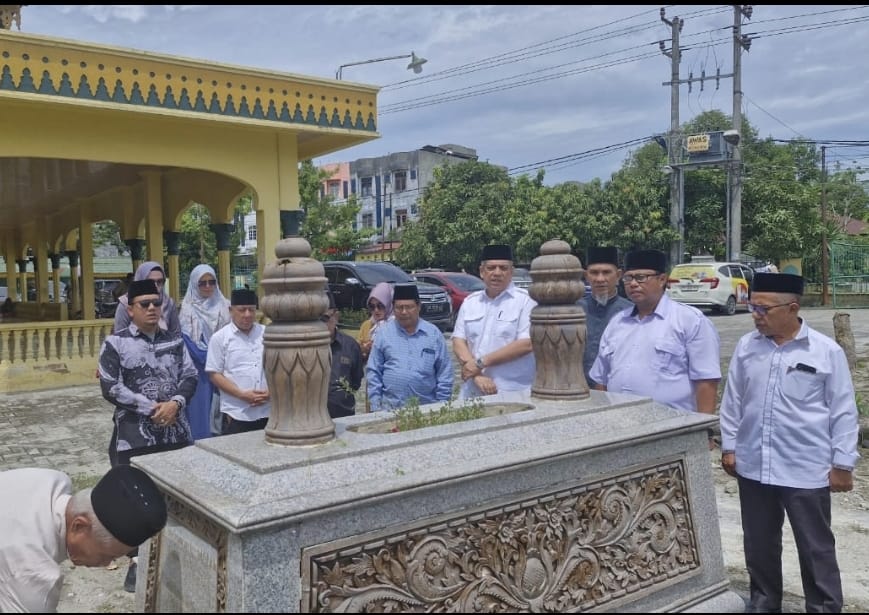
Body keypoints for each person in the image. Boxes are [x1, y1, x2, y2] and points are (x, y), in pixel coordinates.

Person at [719, 272, 860, 613]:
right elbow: (733, 400)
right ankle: (764, 604)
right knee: (759, 545)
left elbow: (843, 411)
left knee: (815, 548)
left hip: (805, 468)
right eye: (752, 307)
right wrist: (729, 446)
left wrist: (843, 463)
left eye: (763, 309)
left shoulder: (824, 352)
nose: (755, 315)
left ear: (792, 308)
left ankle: (824, 607)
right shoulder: (747, 347)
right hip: (754, 465)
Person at [97, 278, 196, 592]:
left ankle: (180, 553)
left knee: (177, 496)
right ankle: (137, 561)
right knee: (136, 500)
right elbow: (110, 386)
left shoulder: (175, 341)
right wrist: (152, 408)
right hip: (135, 436)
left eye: (157, 303)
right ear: (131, 309)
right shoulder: (116, 343)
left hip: (176, 434)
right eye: (145, 304)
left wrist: (175, 403)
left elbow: (190, 375)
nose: (152, 308)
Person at [0, 465, 168, 613]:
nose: (105, 564)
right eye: (106, 555)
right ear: (79, 526)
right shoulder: (33, 570)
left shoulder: (48, 480)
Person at [589, 249, 721, 417]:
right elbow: (601, 378)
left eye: (641, 277)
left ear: (662, 280)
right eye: (628, 278)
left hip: (673, 423)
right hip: (620, 423)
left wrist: (704, 427)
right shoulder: (617, 322)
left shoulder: (690, 321)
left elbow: (706, 380)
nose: (633, 284)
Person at [452, 244, 536, 400]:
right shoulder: (470, 302)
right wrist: (477, 375)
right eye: (491, 268)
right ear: (481, 271)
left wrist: (480, 363)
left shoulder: (526, 301)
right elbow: (458, 341)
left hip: (513, 390)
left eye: (503, 268)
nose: (497, 273)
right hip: (473, 388)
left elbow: (526, 344)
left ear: (511, 272)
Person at [367, 283, 453, 411]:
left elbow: (444, 372)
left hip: (427, 410)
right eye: (399, 308)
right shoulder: (384, 334)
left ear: (418, 307)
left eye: (409, 307)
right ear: (393, 308)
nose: (404, 312)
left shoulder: (433, 334)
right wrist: (376, 406)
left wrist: (441, 406)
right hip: (390, 409)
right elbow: (374, 371)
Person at [205, 289, 271, 434]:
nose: (247, 315)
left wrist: (271, 392)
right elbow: (214, 374)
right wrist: (242, 394)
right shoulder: (220, 338)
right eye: (242, 310)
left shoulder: (267, 334)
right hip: (237, 412)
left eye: (251, 310)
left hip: (268, 410)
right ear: (231, 310)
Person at [179, 264, 231, 439]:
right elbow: (188, 341)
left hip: (224, 366)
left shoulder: (225, 306)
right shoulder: (187, 310)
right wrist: (211, 358)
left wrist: (220, 358)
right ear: (194, 284)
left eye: (212, 282)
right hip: (199, 369)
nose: (208, 286)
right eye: (202, 283)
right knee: (201, 412)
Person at [578, 246, 633, 388]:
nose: (600, 279)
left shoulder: (631, 312)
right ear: (586, 276)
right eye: (594, 273)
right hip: (578, 386)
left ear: (619, 275)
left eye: (606, 272)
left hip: (616, 390)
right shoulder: (574, 310)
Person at [323, 290, 364, 419]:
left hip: (343, 415)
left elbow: (356, 381)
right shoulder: (306, 346)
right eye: (316, 319)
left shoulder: (350, 346)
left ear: (336, 316)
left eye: (325, 318)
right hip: (312, 418)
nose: (321, 324)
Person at [113, 261, 181, 337]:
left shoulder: (168, 302)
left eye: (159, 282)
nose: (155, 286)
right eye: (150, 282)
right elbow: (119, 336)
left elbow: (176, 334)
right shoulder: (125, 304)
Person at [357, 282, 394, 363]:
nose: (376, 310)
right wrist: (364, 349)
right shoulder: (367, 325)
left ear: (389, 304)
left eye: (380, 306)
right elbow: (357, 350)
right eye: (372, 306)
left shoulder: (397, 326)